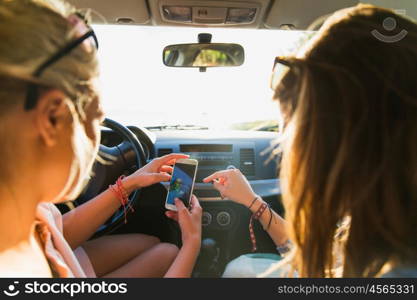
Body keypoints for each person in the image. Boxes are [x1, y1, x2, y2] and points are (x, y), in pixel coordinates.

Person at [205, 4, 417, 277]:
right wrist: (252, 200)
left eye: (300, 132)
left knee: (238, 270)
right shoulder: (384, 223)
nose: (289, 146)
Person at [0, 0, 201, 278]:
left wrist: (129, 183)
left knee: (162, 249)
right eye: (96, 119)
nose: (96, 147)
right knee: (171, 251)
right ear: (51, 119)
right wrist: (191, 244)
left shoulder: (23, 213)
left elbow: (55, 234)